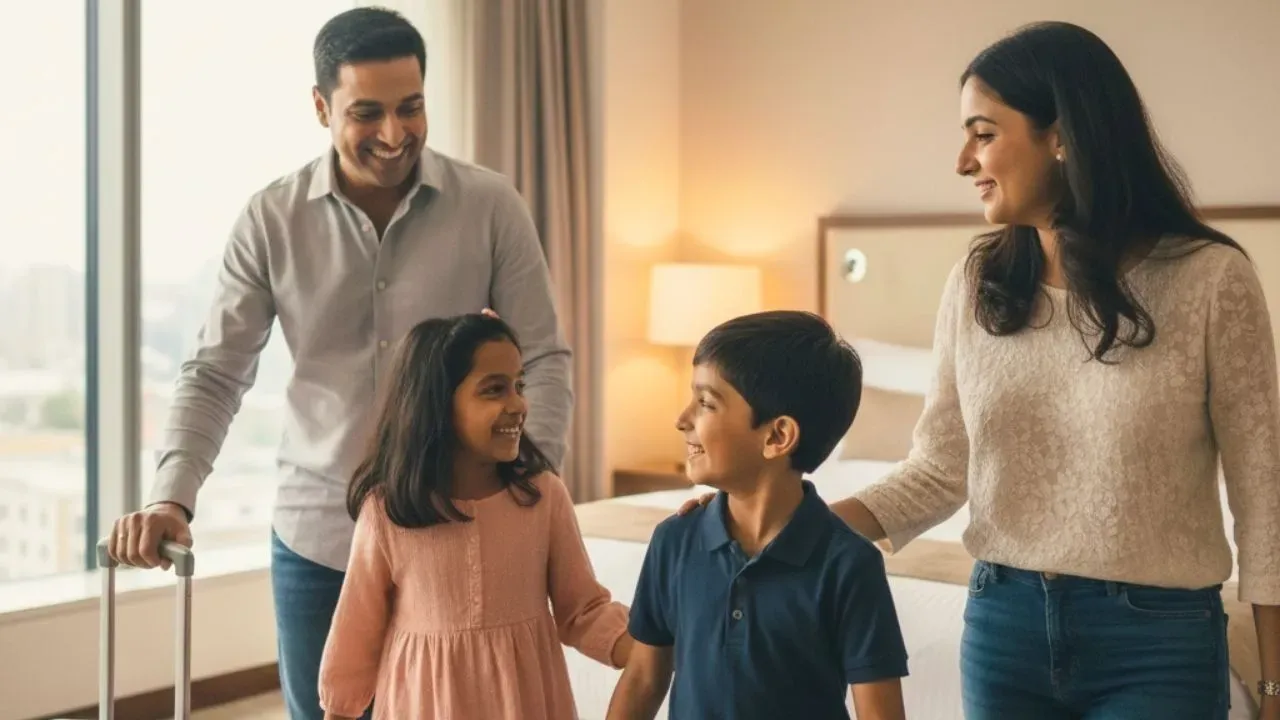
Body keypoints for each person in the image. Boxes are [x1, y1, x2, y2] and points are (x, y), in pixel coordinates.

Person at [672, 21, 1280, 720]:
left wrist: (1273, 685)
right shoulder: (977, 280)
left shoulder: (1210, 280)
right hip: (1004, 627)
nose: (964, 160)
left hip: (1157, 639)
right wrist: (775, 528)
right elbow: (938, 468)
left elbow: (1263, 497)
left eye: (984, 133)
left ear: (1061, 135)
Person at [103, 8, 573, 719]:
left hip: (454, 529)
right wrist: (173, 495)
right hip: (319, 536)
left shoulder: (489, 206)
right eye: (368, 112)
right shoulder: (271, 219)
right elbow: (215, 371)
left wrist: (530, 490)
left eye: (411, 107)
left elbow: (543, 354)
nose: (394, 134)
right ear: (321, 106)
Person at [317, 313, 631, 720]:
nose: (518, 404)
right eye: (494, 389)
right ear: (438, 403)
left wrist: (651, 650)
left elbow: (582, 611)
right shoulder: (387, 512)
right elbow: (354, 639)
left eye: (519, 386)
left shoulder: (542, 497)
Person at [609, 311, 909, 720]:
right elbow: (643, 678)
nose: (682, 420)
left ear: (776, 436)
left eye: (706, 403)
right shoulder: (674, 541)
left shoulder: (850, 564)